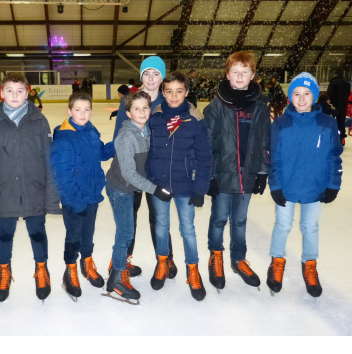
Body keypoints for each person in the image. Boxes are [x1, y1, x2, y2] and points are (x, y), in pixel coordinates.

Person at [0, 73, 61, 303]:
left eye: (20, 91)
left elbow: (49, 161)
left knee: (38, 233)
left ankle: (41, 268)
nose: (15, 95)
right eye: (9, 90)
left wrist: (51, 197)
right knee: (4, 235)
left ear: (28, 93)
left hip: (35, 189)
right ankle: (4, 270)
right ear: (1, 93)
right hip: (4, 191)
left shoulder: (39, 121)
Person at [267, 73, 342, 299]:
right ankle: (277, 261)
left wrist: (333, 184)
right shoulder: (281, 123)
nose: (301, 99)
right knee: (283, 225)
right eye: (297, 94)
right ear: (290, 96)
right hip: (287, 185)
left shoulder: (327, 123)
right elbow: (274, 157)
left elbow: (334, 156)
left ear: (314, 96)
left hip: (315, 187)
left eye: (307, 93)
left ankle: (310, 264)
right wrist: (275, 185)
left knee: (310, 227)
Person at [203, 51, 271, 293]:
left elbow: (264, 141)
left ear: (253, 75)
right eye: (235, 71)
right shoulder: (215, 107)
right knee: (219, 218)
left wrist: (262, 172)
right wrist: (209, 175)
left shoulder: (260, 107)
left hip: (248, 174)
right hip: (223, 175)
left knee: (240, 221)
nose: (240, 76)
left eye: (245, 71)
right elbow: (207, 143)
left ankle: (238, 259)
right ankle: (216, 256)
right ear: (227, 75)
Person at [146, 71, 212, 301]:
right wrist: (151, 180)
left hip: (186, 185)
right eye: (169, 91)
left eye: (179, 91)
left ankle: (193, 269)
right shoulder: (155, 116)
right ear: (163, 92)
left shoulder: (195, 119)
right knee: (161, 226)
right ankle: (162, 262)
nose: (174, 96)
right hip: (160, 183)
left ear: (187, 92)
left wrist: (200, 189)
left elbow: (205, 156)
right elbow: (150, 151)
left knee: (188, 230)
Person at [105, 91, 172, 304]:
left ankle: (120, 266)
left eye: (145, 107)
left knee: (127, 231)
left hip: (129, 188)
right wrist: (155, 189)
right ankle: (117, 277)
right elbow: (129, 174)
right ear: (128, 113)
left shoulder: (146, 132)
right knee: (125, 233)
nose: (142, 112)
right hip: (120, 189)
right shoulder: (126, 136)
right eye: (136, 108)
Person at [113, 56, 176, 277]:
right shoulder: (129, 100)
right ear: (141, 76)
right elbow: (119, 133)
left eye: (156, 74)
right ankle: (122, 260)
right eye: (146, 73)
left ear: (162, 77)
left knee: (159, 217)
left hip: (157, 169)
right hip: (133, 169)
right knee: (129, 217)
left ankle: (166, 258)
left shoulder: (168, 101)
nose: (150, 78)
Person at [50, 92, 115, 302]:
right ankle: (70, 270)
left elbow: (101, 153)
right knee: (74, 237)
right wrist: (77, 202)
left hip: (92, 196)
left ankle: (87, 264)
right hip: (74, 201)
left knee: (88, 235)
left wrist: (117, 143)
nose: (82, 114)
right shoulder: (63, 138)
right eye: (77, 109)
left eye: (87, 109)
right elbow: (61, 177)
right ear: (69, 111)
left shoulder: (91, 131)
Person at [327, 67, 351, 145]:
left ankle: (332, 138)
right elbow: (348, 94)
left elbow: (329, 93)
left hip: (334, 105)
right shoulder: (347, 83)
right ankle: (342, 138)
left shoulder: (333, 82)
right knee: (341, 122)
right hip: (343, 105)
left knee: (332, 121)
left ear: (336, 74)